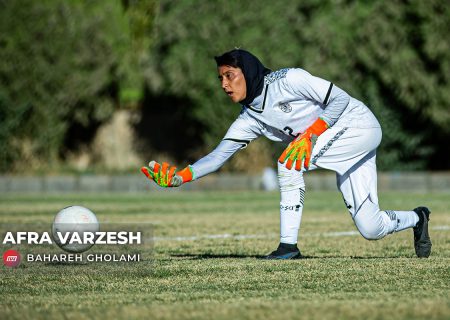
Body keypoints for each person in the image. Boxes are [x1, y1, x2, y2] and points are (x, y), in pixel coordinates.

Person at [141, 48, 432, 259]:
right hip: (344, 143)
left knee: (288, 162)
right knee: (371, 227)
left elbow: (340, 99)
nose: (224, 85)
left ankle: (288, 247)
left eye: (230, 76)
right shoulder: (248, 118)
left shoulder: (288, 79)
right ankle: (418, 218)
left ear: (249, 71)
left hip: (360, 125)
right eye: (221, 78)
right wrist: (181, 177)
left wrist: (311, 133)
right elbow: (218, 157)